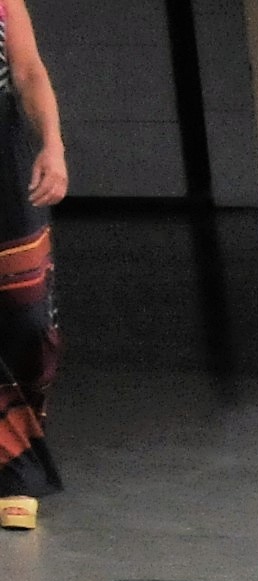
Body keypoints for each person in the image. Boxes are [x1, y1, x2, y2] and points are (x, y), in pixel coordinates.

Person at [0, 0, 65, 531]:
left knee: (26, 315)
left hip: (4, 158)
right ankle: (13, 471)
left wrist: (53, 146)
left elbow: (28, 70)